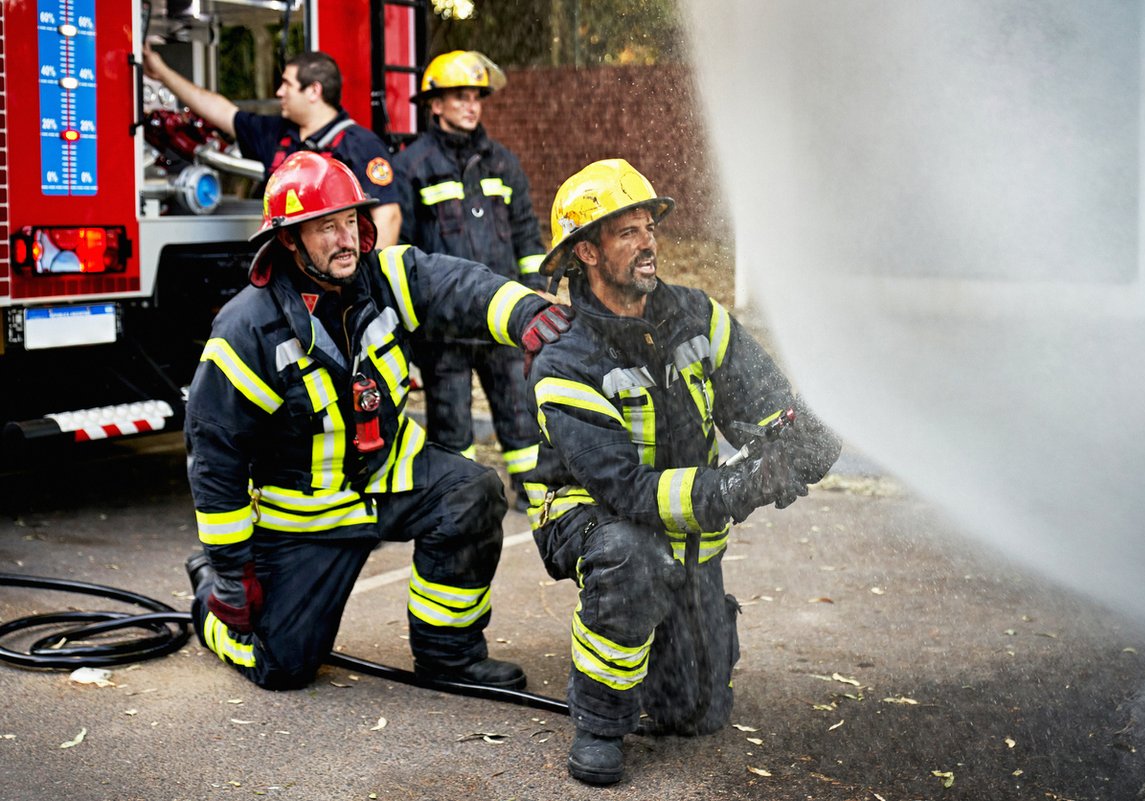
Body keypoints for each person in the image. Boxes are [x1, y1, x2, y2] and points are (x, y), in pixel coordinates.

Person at [182, 151, 573, 691]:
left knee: (474, 491)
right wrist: (228, 573)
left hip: (389, 474)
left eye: (350, 222)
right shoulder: (247, 329)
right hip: (306, 517)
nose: (346, 239)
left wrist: (526, 312)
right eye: (325, 227)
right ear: (290, 240)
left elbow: (457, 286)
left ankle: (448, 655)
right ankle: (205, 602)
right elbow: (214, 456)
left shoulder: (386, 276)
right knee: (284, 666)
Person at [523, 159, 842, 785]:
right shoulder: (565, 363)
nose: (649, 243)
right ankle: (599, 721)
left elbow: (763, 398)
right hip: (590, 519)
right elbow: (627, 493)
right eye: (627, 232)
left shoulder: (696, 317)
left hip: (683, 524)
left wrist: (796, 434)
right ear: (586, 251)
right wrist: (736, 485)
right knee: (631, 553)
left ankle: (671, 644)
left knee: (694, 713)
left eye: (649, 226)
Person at [391, 51, 546, 506]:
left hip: (501, 316)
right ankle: (462, 500)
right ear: (434, 104)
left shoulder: (502, 162)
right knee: (451, 421)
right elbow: (402, 245)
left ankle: (536, 497)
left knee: (520, 412)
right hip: (443, 325)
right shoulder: (411, 166)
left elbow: (526, 232)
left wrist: (537, 293)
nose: (471, 106)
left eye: (476, 98)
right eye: (459, 97)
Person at [141, 45, 401, 247]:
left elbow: (388, 217)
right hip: (287, 278)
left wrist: (361, 285)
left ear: (313, 91)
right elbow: (218, 109)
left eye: (287, 84)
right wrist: (161, 72)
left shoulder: (361, 145)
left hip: (335, 278)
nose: (279, 92)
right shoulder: (276, 134)